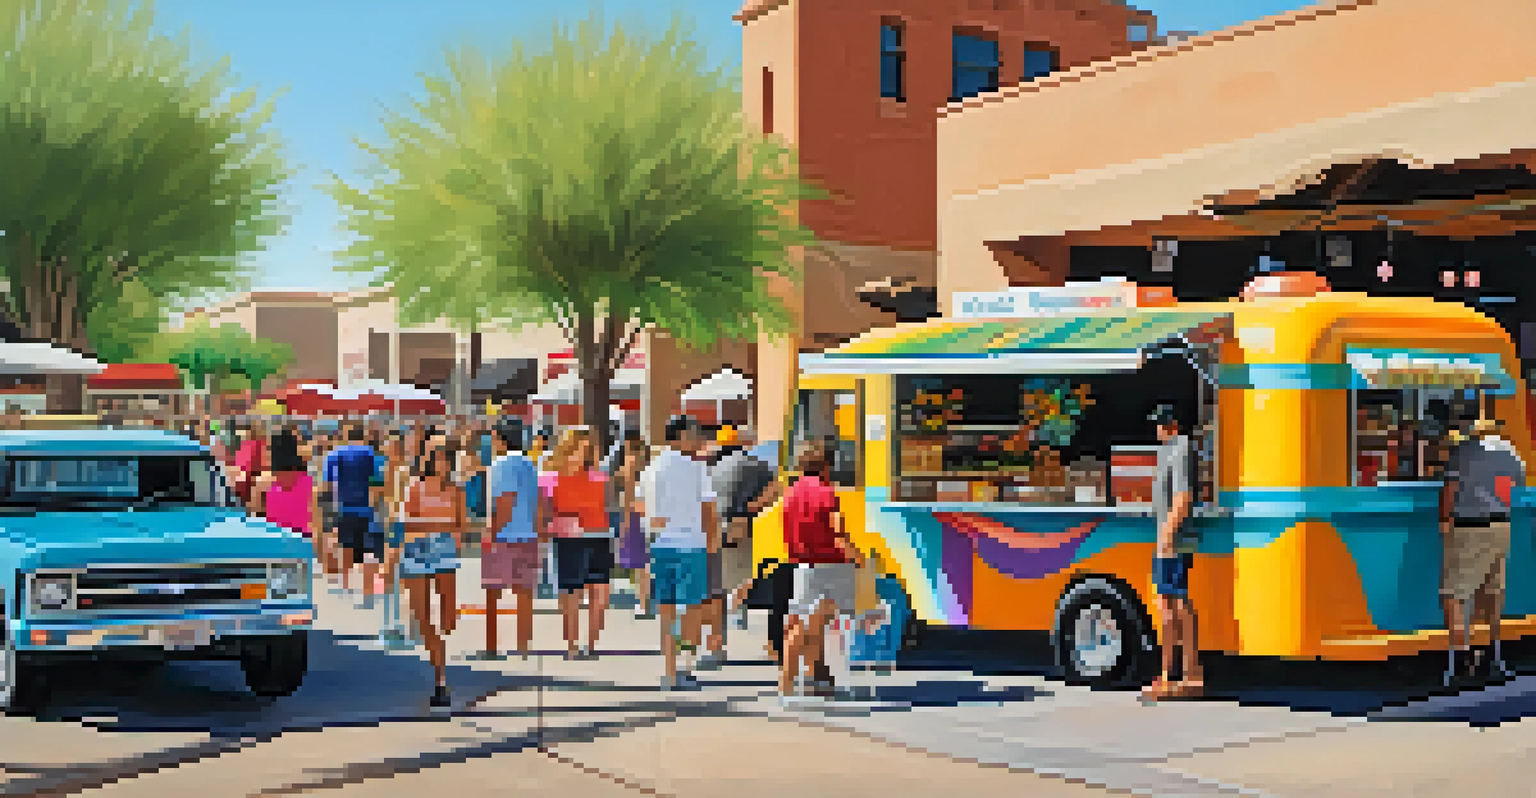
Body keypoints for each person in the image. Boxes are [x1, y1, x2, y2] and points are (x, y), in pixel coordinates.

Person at [1440, 414, 1526, 687]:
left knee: (1455, 594)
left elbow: (1450, 492)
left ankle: (1461, 662)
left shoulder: (1462, 454)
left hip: (1468, 528)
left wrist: (1444, 520)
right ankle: (1493, 657)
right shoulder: (1508, 452)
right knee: (1492, 593)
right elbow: (1516, 483)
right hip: (1501, 525)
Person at [637, 416, 717, 690]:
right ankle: (685, 667)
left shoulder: (651, 468)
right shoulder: (698, 468)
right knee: (692, 608)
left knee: (667, 610)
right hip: (691, 545)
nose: (698, 441)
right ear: (679, 436)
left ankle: (669, 671)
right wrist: (713, 541)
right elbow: (709, 508)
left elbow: (639, 507)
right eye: (693, 435)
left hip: (661, 545)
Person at [779, 440, 863, 699]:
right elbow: (837, 532)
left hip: (804, 565)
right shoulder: (826, 493)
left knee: (809, 623)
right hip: (832, 565)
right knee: (809, 625)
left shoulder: (791, 492)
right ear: (827, 466)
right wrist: (858, 557)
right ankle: (797, 681)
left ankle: (810, 678)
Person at [401, 436, 467, 707]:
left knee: (448, 619)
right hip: (417, 553)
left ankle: (439, 652)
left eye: (446, 457)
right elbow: (406, 524)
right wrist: (440, 526)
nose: (443, 461)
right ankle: (440, 678)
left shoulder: (456, 491)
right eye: (438, 456)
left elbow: (461, 526)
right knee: (422, 617)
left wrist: (440, 528)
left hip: (445, 554)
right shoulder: (415, 487)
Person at [1143, 404, 1202, 702]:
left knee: (1172, 604)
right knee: (1172, 603)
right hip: (1171, 538)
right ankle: (1176, 673)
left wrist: (1166, 536)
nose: (1157, 428)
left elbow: (1183, 497)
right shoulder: (1170, 450)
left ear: (1173, 424)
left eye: (1161, 423)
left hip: (1173, 540)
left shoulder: (1181, 448)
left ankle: (1181, 675)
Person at [543, 428, 614, 660]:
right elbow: (543, 513)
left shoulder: (601, 478)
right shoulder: (550, 477)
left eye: (587, 448)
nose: (583, 453)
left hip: (600, 537)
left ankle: (591, 645)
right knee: (571, 594)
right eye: (578, 447)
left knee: (600, 593)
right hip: (569, 540)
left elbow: (611, 507)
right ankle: (572, 645)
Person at [477, 419, 541, 660]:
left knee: (493, 592)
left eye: (493, 438)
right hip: (528, 534)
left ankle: (492, 646)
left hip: (504, 536)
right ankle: (522, 645)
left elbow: (505, 502)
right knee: (524, 593)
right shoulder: (530, 464)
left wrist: (491, 532)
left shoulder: (500, 465)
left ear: (501, 439)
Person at [711, 427, 780, 634]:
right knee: (746, 573)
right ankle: (738, 612)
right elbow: (768, 495)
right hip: (745, 527)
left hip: (717, 525)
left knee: (722, 576)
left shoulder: (712, 468)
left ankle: (724, 620)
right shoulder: (756, 465)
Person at [326, 424, 384, 602]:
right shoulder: (370, 454)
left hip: (344, 507)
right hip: (366, 508)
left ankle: (346, 583)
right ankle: (367, 587)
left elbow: (329, 481)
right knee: (368, 549)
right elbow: (377, 482)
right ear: (364, 435)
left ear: (346, 435)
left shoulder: (336, 453)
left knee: (346, 546)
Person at [251, 428, 322, 547]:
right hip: (303, 542)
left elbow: (255, 519)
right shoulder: (311, 482)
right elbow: (317, 521)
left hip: (275, 541)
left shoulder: (263, 482)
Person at [612, 432, 654, 619]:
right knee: (645, 564)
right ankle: (644, 602)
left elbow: (627, 498)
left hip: (635, 517)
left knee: (641, 565)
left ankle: (642, 602)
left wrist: (626, 524)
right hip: (647, 516)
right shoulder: (647, 468)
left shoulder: (629, 467)